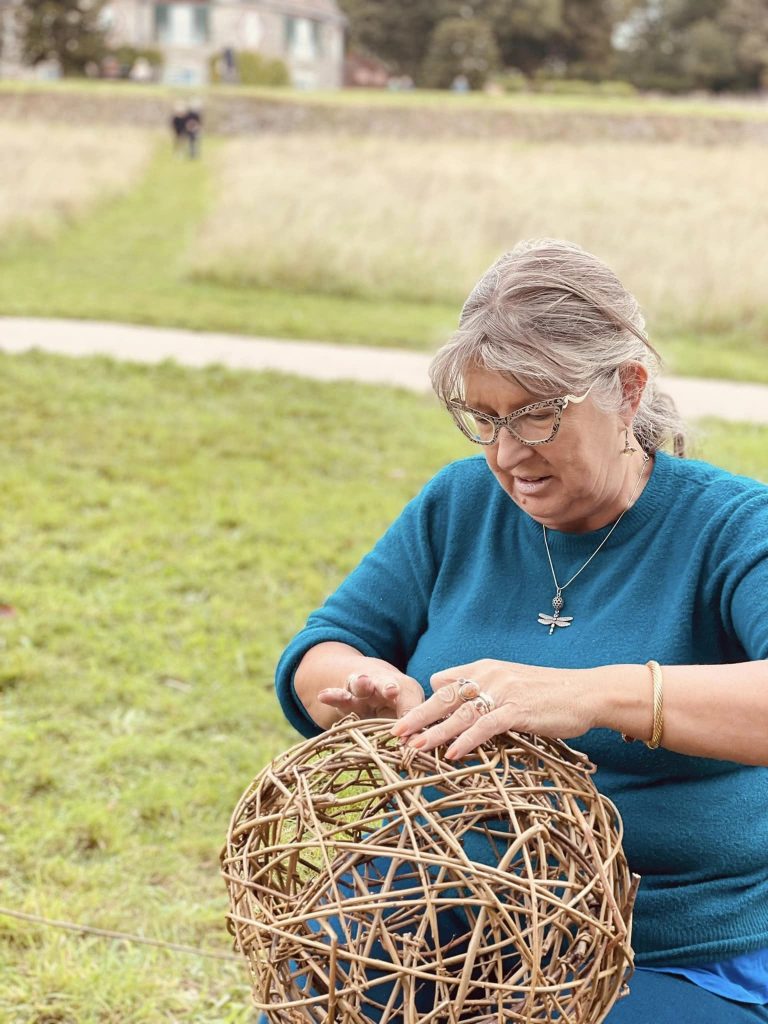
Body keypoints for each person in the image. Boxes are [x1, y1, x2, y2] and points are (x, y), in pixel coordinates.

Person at [272, 239, 768, 1023]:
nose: (508, 454)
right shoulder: (459, 505)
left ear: (628, 390)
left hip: (672, 942)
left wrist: (595, 696)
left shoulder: (732, 527)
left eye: (537, 417)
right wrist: (363, 691)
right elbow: (323, 647)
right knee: (314, 995)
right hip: (446, 899)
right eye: (484, 418)